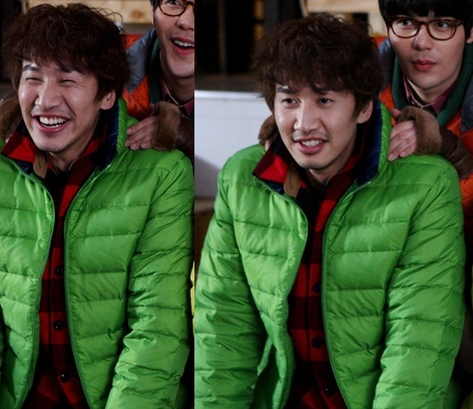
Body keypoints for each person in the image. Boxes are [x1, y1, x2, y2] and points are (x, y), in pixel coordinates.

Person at [194, 13, 466, 409]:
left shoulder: (426, 185)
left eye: (324, 100)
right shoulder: (242, 178)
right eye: (290, 100)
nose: (304, 123)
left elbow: (419, 339)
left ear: (364, 107)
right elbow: (223, 328)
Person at [0, 4, 193, 409]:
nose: (46, 99)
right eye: (32, 77)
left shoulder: (162, 174)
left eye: (68, 80)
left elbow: (156, 326)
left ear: (107, 95)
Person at [377, 0, 473, 246]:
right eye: (405, 22)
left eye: (442, 24)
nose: (421, 43)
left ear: (470, 32)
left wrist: (452, 151)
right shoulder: (352, 79)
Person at [123, 0, 194, 162]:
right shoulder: (103, 66)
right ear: (153, 13)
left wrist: (194, 141)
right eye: (174, 2)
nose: (185, 22)